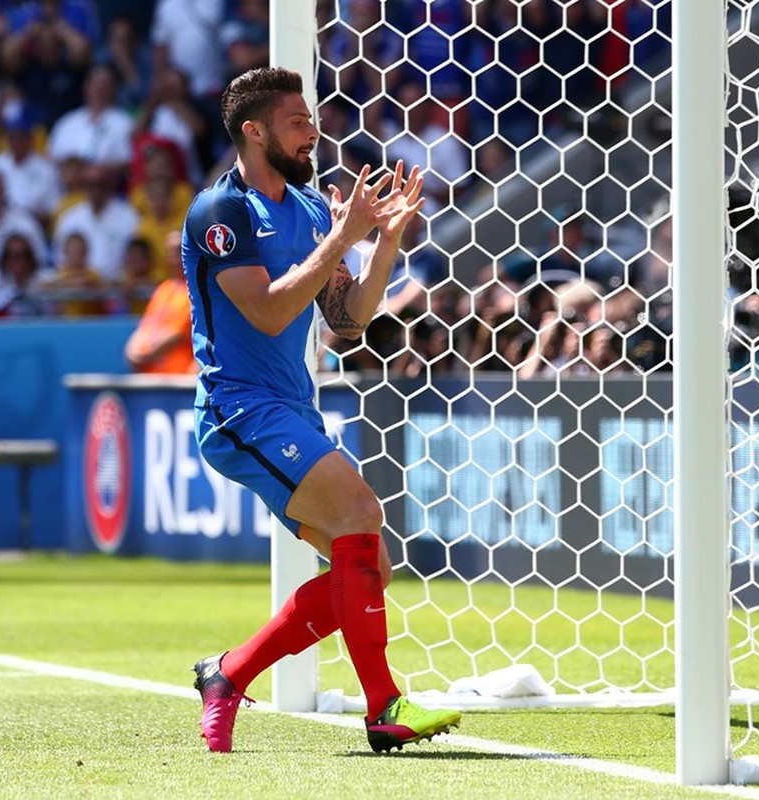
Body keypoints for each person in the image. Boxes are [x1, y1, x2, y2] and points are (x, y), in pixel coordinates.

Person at [184, 66, 461, 754]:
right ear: (254, 131)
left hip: (291, 410)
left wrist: (386, 240)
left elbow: (347, 321)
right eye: (297, 122)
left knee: (358, 568)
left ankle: (228, 673)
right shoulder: (220, 213)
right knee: (361, 516)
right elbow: (271, 311)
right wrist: (341, 239)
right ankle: (384, 706)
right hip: (237, 410)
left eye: (310, 122)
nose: (313, 134)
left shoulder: (308, 208)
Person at [124, 230, 195, 373]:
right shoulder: (164, 289)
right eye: (171, 252)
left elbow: (177, 335)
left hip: (177, 378)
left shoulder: (195, 291)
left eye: (179, 251)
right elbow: (146, 325)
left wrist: (144, 356)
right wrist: (130, 351)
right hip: (149, 376)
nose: (174, 257)